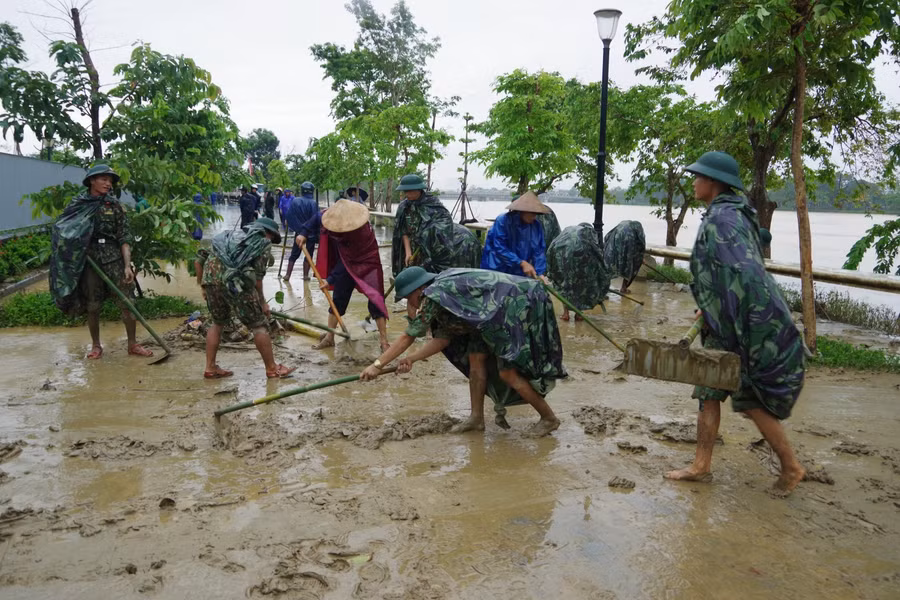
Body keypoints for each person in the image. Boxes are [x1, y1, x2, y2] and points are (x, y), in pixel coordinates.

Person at [665, 151, 806, 495]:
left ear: (713, 182)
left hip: (738, 327)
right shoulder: (732, 216)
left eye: (698, 177)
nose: (694, 182)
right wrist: (710, 307)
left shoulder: (722, 220)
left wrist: (734, 319)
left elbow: (745, 275)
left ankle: (791, 467)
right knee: (708, 392)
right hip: (722, 321)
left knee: (749, 399)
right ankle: (700, 466)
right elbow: (726, 272)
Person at [360, 266, 565, 436]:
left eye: (408, 297)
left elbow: (408, 336)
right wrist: (411, 359)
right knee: (475, 358)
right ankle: (476, 419)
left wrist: (377, 365)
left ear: (419, 289)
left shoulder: (434, 293)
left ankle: (549, 418)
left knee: (507, 372)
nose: (410, 303)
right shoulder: (440, 291)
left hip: (513, 307)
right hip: (487, 316)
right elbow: (442, 340)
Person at [49, 164, 153, 359]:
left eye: (110, 180)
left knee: (127, 301)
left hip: (113, 258)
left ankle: (132, 344)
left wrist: (127, 265)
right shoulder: (77, 204)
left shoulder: (114, 205)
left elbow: (124, 238)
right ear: (91, 181)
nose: (108, 183)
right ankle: (96, 346)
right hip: (89, 261)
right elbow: (61, 230)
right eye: (104, 179)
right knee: (93, 305)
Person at [195, 217, 294, 379]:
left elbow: (199, 260)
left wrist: (203, 285)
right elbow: (258, 280)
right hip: (236, 285)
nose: (271, 241)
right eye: (272, 238)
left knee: (217, 323)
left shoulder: (226, 235)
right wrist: (262, 303)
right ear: (267, 233)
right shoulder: (262, 243)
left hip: (211, 280)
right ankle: (272, 369)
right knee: (259, 325)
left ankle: (210, 368)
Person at [294, 199, 391, 351]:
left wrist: (330, 279)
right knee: (338, 299)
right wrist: (303, 233)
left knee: (376, 299)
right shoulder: (327, 215)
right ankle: (330, 337)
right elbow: (316, 218)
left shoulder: (362, 231)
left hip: (367, 261)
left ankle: (384, 342)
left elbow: (348, 262)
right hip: (344, 261)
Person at [391, 174, 473, 279]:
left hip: (430, 250)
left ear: (418, 190)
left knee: (428, 278)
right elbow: (403, 231)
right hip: (413, 250)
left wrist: (426, 235)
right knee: (412, 278)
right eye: (405, 191)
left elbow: (444, 225)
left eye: (409, 191)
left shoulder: (433, 204)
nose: (407, 194)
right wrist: (408, 252)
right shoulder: (404, 207)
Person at [547, 223, 612, 321]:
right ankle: (578, 314)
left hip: (562, 256)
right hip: (581, 257)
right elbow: (597, 253)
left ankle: (566, 314)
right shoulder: (587, 233)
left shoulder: (567, 230)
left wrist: (550, 268)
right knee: (580, 286)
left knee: (565, 284)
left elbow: (552, 246)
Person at [480, 191, 549, 280]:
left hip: (518, 270)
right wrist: (521, 263)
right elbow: (499, 247)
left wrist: (540, 273)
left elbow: (538, 251)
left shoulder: (536, 226)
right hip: (496, 267)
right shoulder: (503, 221)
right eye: (532, 213)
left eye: (536, 214)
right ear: (522, 211)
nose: (534, 217)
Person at [282, 183, 319, 281]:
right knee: (309, 254)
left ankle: (287, 275)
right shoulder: (313, 203)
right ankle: (306, 276)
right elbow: (316, 219)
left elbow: (289, 216)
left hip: (299, 233)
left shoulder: (295, 201)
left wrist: (297, 228)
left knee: (294, 253)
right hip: (310, 233)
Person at [603, 220, 646, 294]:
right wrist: (641, 257)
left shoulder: (622, 225)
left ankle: (604, 290)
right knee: (630, 265)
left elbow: (607, 236)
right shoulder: (638, 229)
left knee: (609, 264)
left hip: (614, 242)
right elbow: (641, 243)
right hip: (628, 244)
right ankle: (624, 288)